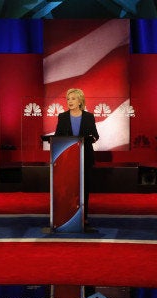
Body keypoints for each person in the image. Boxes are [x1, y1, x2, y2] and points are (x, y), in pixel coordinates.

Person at [54, 88, 100, 229]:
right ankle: (68, 215)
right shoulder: (62, 117)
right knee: (68, 188)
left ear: (80, 101)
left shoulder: (89, 117)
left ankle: (83, 217)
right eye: (68, 99)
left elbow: (96, 135)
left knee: (84, 188)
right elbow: (57, 137)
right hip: (67, 160)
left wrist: (90, 139)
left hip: (85, 157)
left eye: (73, 98)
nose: (70, 101)